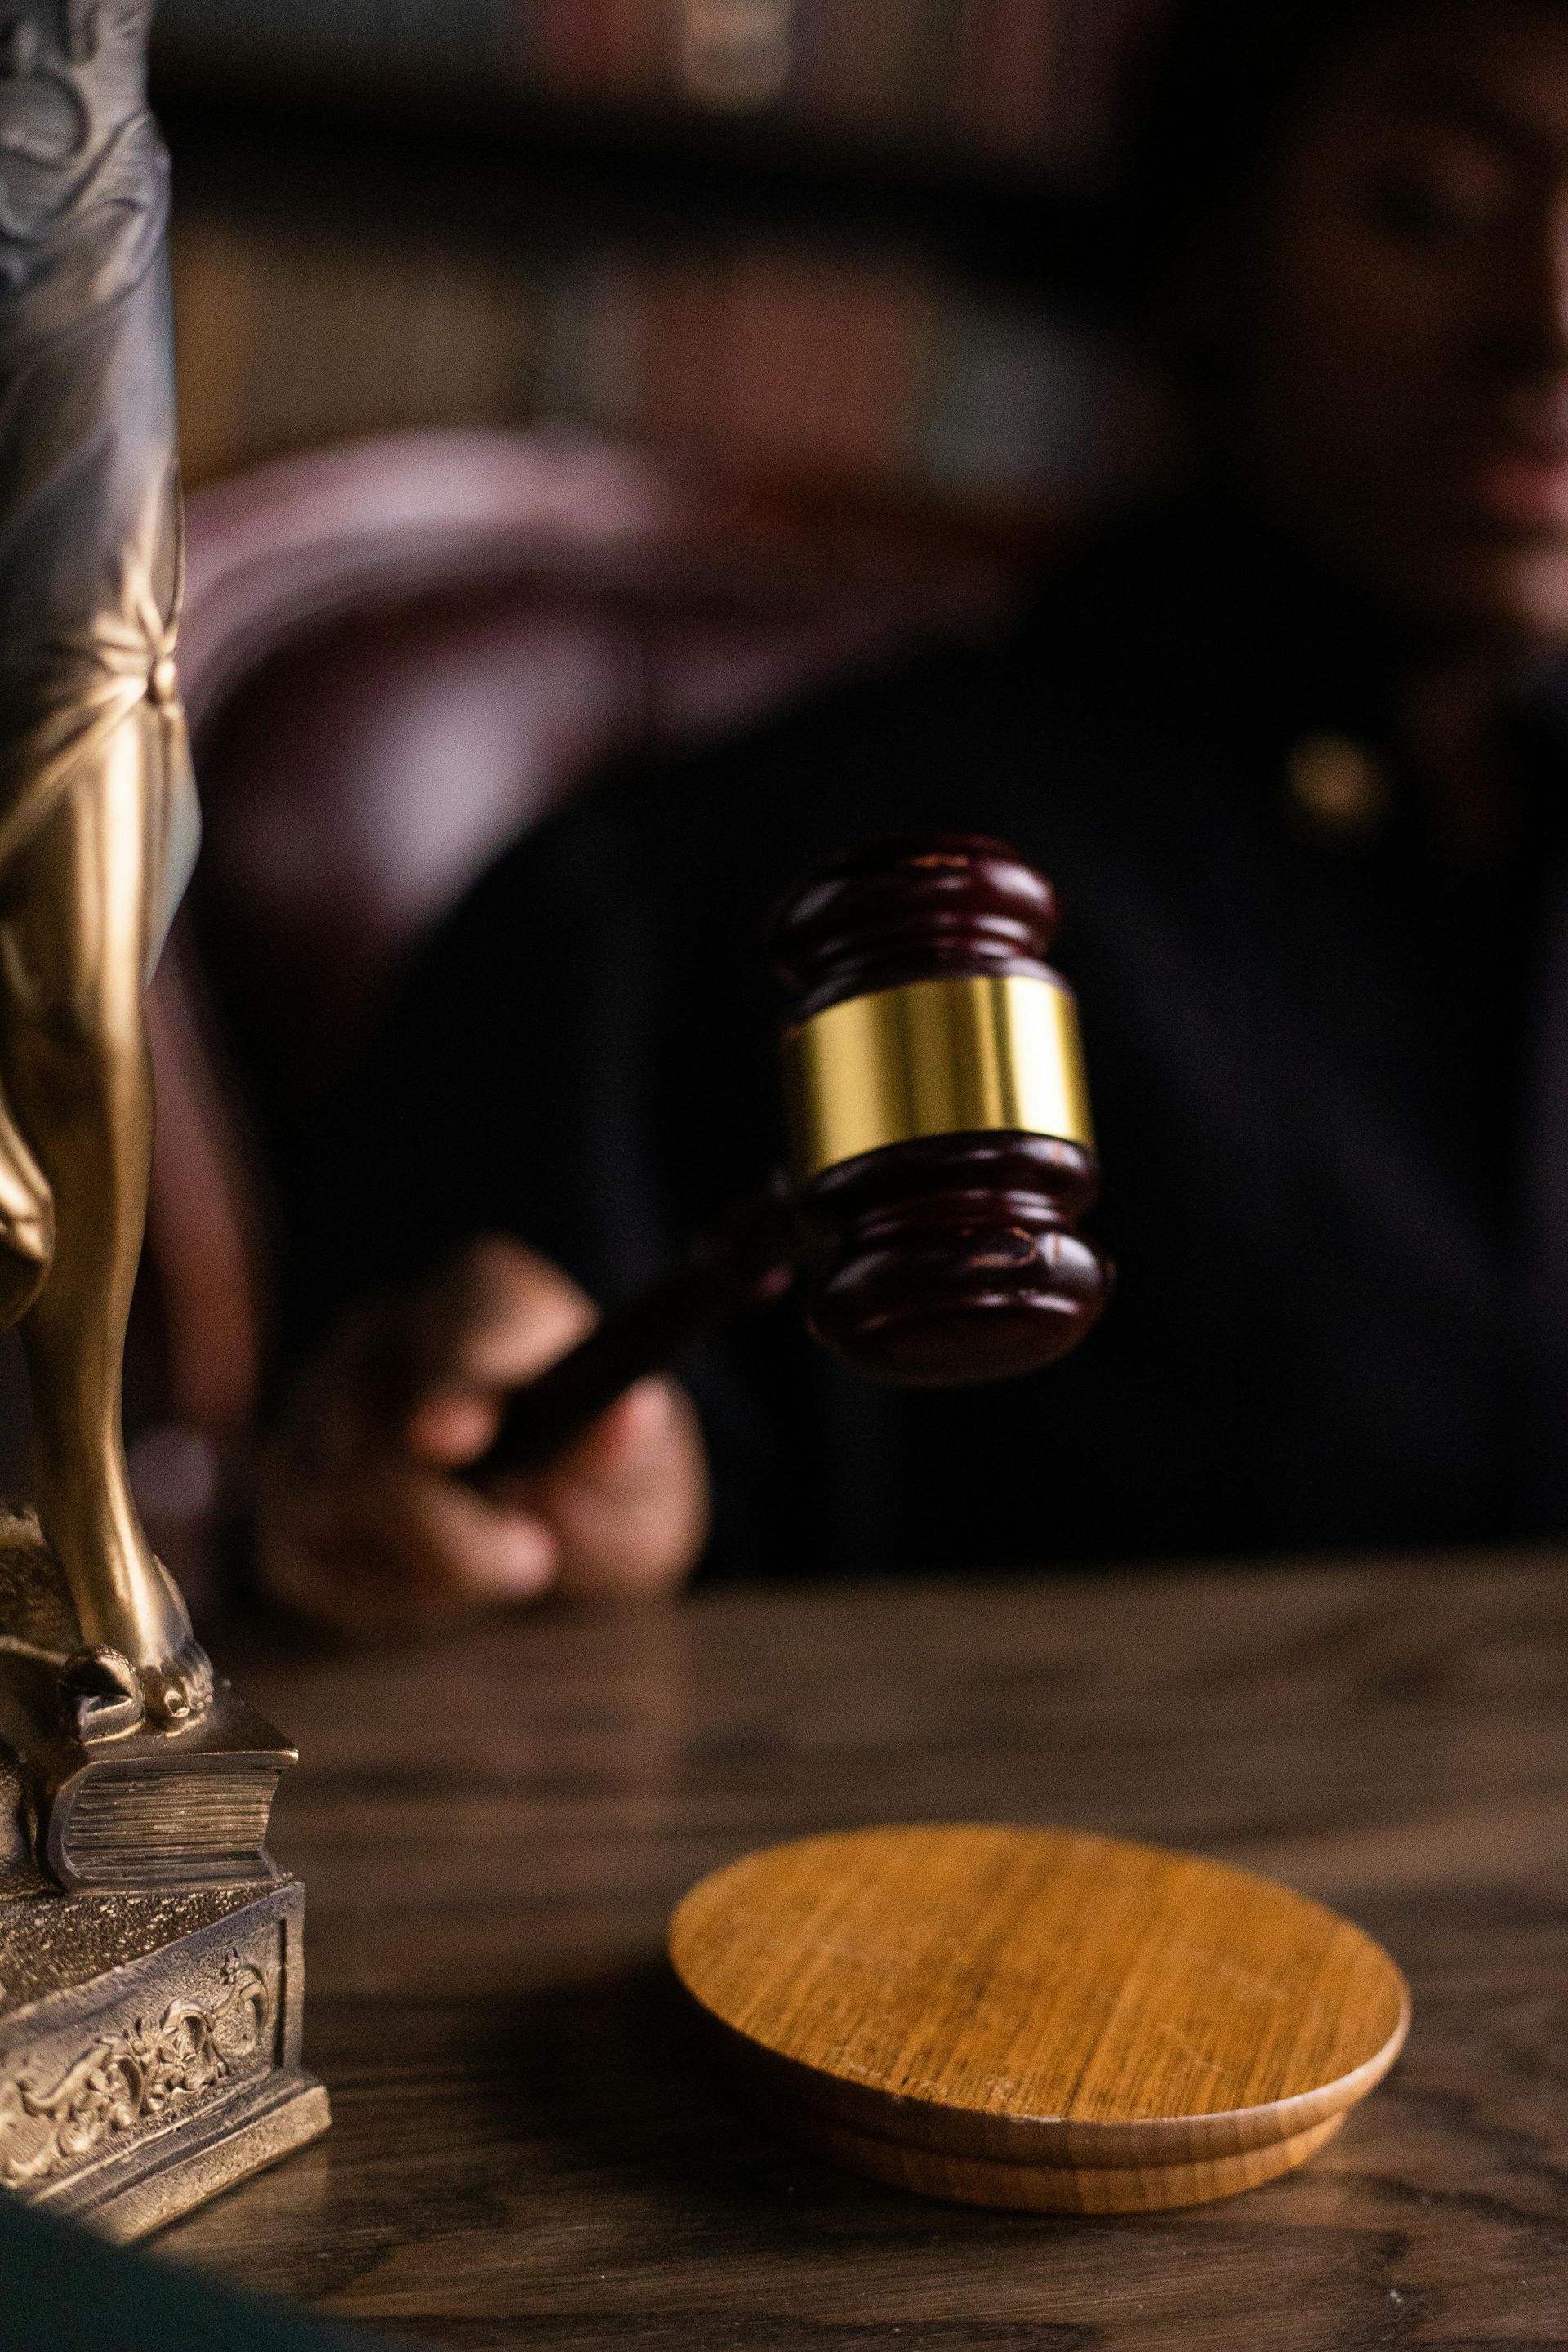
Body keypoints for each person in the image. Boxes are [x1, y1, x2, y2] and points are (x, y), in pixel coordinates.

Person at [261, 0, 1568, 1633]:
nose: (1552, 323)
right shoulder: (738, 875)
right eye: (1428, 206)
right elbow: (481, 1508)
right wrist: (535, 1504)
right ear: (1220, 243)